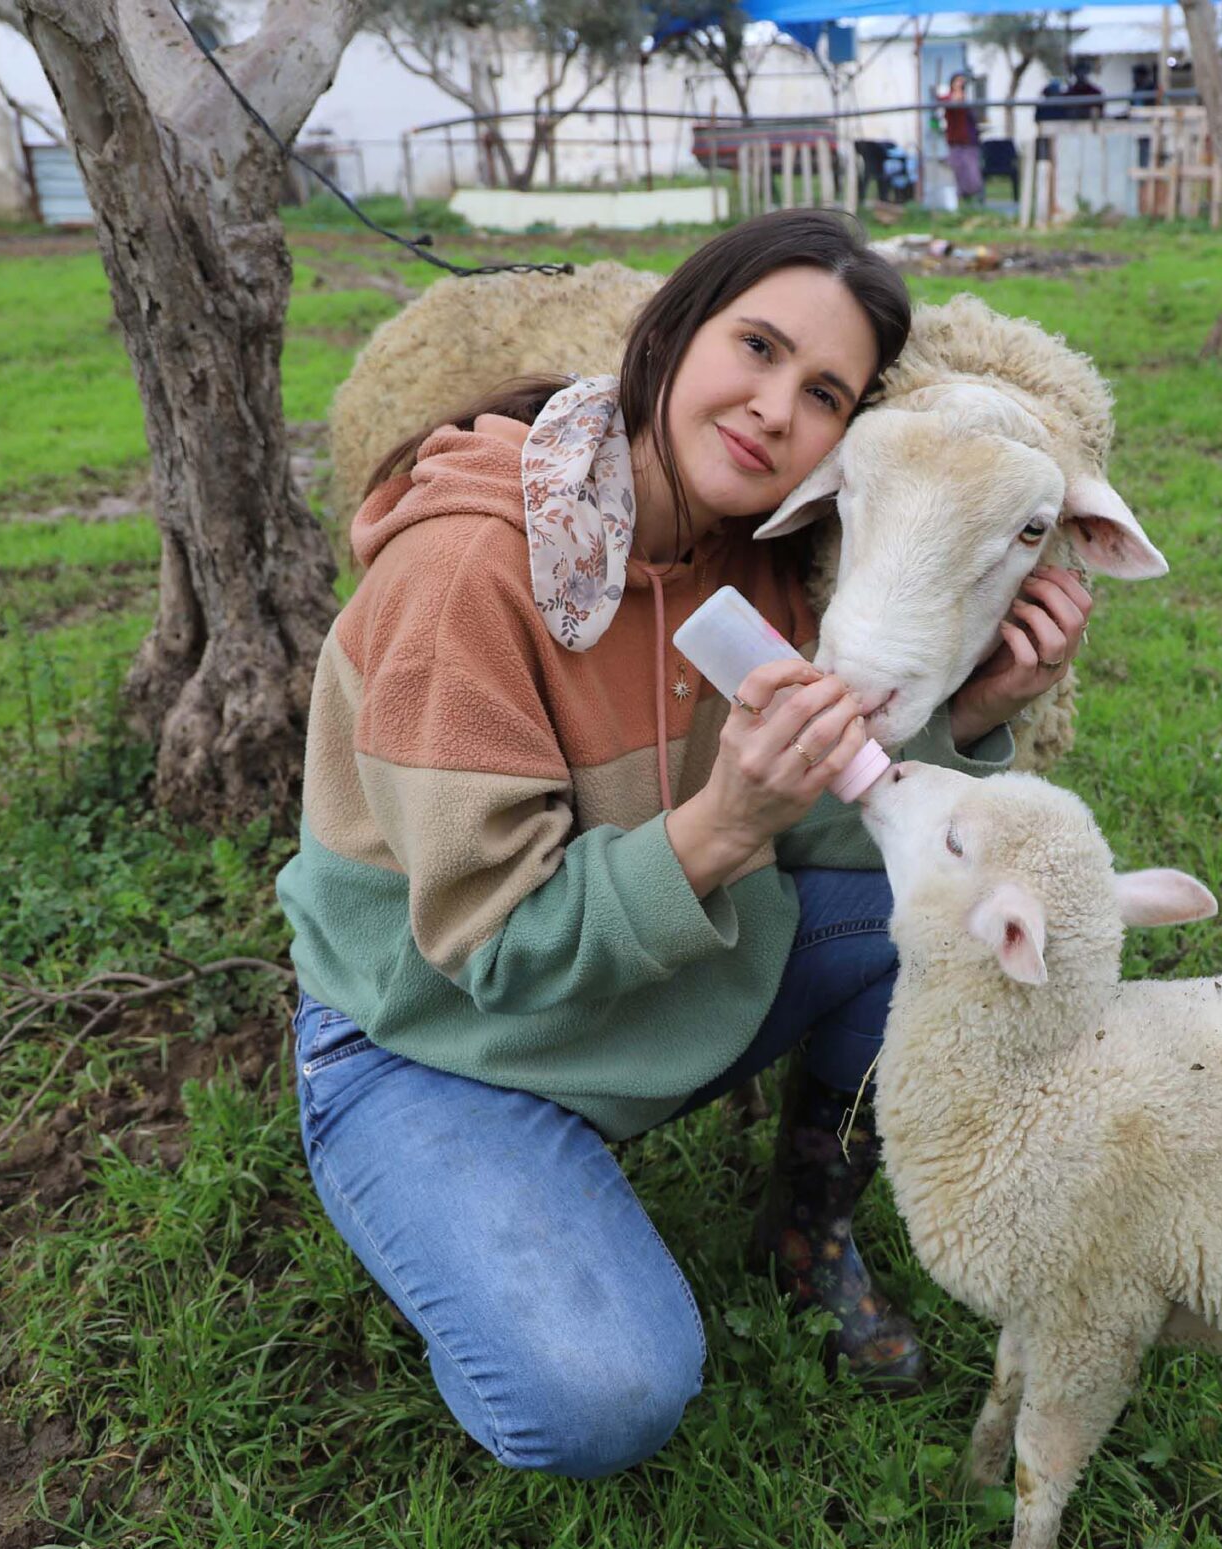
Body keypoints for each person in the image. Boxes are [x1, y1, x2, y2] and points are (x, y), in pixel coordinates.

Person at [278, 210, 1096, 1477]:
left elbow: (824, 825)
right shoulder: (466, 575)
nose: (775, 407)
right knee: (604, 1399)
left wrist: (979, 715)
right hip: (433, 1036)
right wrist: (721, 823)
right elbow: (492, 946)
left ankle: (805, 1224)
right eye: (755, 347)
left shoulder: (757, 562)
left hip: (625, 982)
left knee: (953, 902)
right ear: (666, 337)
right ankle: (459, 1191)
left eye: (821, 390)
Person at [940, 71, 985, 202]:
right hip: (955, 142)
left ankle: (974, 200)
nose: (961, 84)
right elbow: (944, 101)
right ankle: (963, 202)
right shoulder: (948, 99)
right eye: (958, 81)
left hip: (969, 142)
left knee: (972, 174)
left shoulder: (966, 100)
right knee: (959, 173)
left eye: (962, 81)